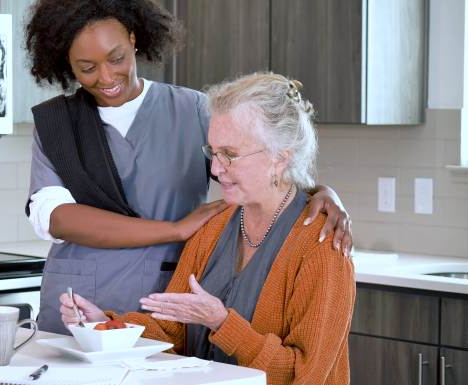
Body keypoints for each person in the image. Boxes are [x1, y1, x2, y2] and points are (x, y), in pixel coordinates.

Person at [25, 0, 353, 334]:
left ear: (134, 40)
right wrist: (177, 229)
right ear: (66, 61)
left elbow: (256, 160)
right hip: (77, 306)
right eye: (87, 67)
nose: (107, 76)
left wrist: (321, 192)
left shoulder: (193, 109)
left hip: (163, 297)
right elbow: (58, 219)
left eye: (117, 58)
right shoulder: (56, 124)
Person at [59, 73, 356, 385]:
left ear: (279, 159)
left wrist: (222, 322)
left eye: (229, 154)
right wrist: (107, 327)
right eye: (212, 152)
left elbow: (306, 376)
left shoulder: (322, 246)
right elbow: (170, 331)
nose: (215, 169)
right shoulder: (213, 227)